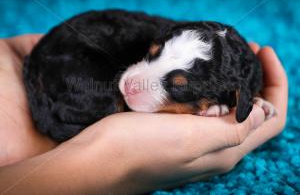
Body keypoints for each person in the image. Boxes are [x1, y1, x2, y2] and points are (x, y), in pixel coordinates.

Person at [0, 34, 288, 194]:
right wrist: (105, 162)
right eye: (151, 55)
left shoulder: (230, 84)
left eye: (174, 88)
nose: (131, 82)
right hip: (72, 60)